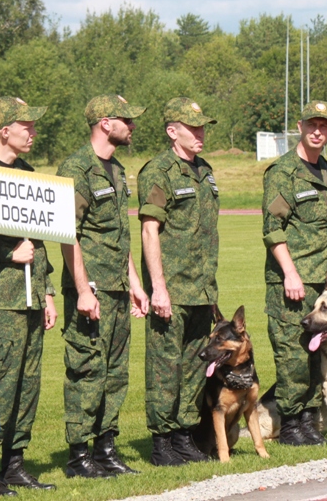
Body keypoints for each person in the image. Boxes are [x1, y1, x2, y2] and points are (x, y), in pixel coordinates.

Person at [57, 95, 150, 477]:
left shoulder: (116, 169)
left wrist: (135, 283)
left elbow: (118, 234)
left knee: (115, 372)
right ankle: (79, 456)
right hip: (90, 288)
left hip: (116, 287)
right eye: (126, 119)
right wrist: (82, 289)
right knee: (87, 369)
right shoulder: (77, 168)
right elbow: (68, 234)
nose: (133, 125)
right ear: (105, 123)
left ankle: (105, 448)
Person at [0, 97, 57, 496]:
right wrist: (7, 253)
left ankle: (15, 462)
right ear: (5, 130)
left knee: (28, 383)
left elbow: (43, 237)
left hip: (31, 297)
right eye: (28, 126)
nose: (34, 132)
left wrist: (49, 292)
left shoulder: (29, 174)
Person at [137, 97, 219, 466]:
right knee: (164, 369)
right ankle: (162, 441)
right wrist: (158, 287)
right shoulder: (159, 171)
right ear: (173, 131)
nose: (200, 133)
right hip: (170, 290)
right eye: (193, 127)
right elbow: (150, 231)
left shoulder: (205, 171)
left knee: (194, 366)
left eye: (202, 127)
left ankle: (184, 435)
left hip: (201, 289)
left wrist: (211, 288)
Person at [261, 101, 327, 446]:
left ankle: (308, 418)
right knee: (292, 353)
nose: (317, 131)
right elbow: (272, 229)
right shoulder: (283, 172)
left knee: (314, 352)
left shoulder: (324, 169)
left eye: (324, 125)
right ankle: (291, 424)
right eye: (312, 125)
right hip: (292, 282)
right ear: (300, 126)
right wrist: (290, 273)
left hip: (320, 282)